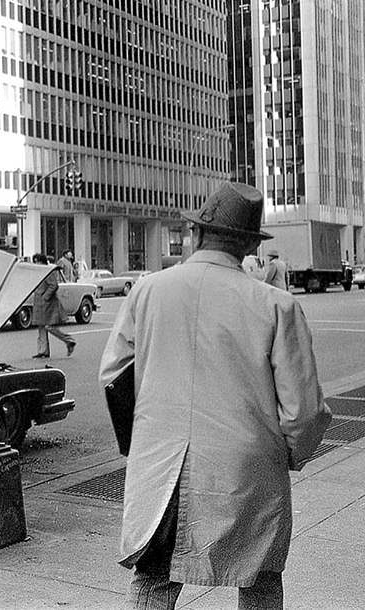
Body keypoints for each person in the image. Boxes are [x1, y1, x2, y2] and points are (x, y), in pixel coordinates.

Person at [99, 182, 330, 610]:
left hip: (164, 469)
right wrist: (288, 455)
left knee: (154, 580)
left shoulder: (147, 291)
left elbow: (114, 375)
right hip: (247, 471)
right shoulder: (276, 306)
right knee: (260, 579)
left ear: (197, 233)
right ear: (249, 245)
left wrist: (143, 441)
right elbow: (304, 412)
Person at [31, 253, 76, 358]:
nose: (36, 263)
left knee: (49, 326)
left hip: (47, 304)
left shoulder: (47, 272)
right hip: (40, 303)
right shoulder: (38, 272)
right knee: (41, 326)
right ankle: (43, 351)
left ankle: (68, 340)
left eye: (37, 261)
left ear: (42, 262)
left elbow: (54, 285)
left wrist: (45, 296)